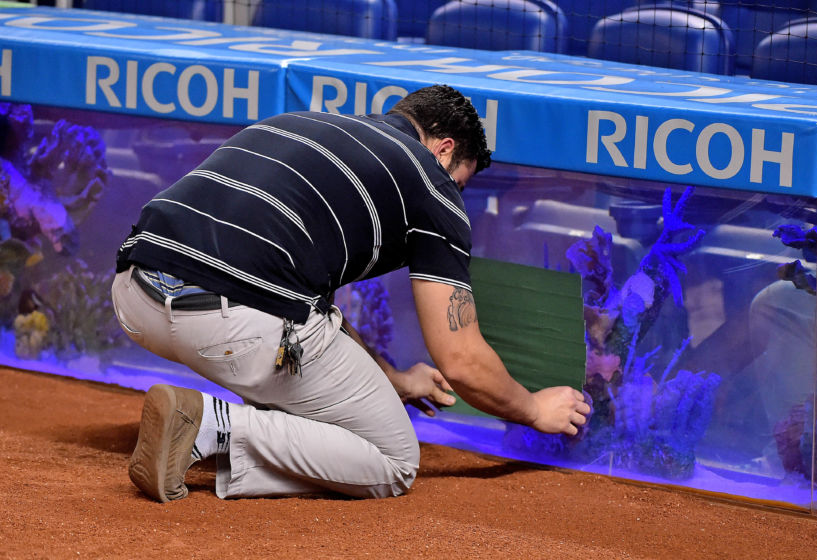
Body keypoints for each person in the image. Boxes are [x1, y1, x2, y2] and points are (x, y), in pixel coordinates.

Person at [111, 84, 590, 502]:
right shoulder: (430, 182)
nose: (454, 193)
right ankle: (212, 428)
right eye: (459, 182)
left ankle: (225, 425)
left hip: (133, 296)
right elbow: (461, 360)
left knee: (289, 342)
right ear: (444, 150)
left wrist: (393, 381)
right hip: (228, 324)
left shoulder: (301, 123)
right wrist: (533, 408)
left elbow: (311, 306)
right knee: (394, 458)